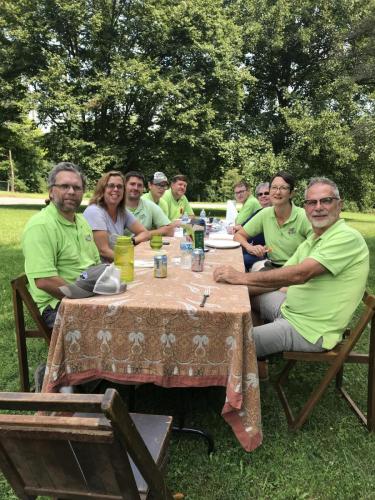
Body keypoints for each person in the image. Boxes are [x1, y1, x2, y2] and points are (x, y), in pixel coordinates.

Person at [214, 177, 369, 358]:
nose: (318, 207)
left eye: (326, 201)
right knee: (245, 297)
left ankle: (249, 363)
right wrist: (230, 289)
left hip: (308, 328)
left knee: (230, 342)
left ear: (339, 205)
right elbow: (279, 279)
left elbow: (300, 274)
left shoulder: (347, 237)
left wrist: (240, 278)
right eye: (311, 202)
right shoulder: (313, 239)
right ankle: (252, 353)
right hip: (289, 308)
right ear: (306, 208)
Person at [22, 162, 100, 329]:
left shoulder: (82, 222)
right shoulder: (41, 226)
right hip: (58, 304)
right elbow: (44, 281)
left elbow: (95, 264)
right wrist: (84, 297)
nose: (71, 192)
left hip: (87, 295)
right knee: (114, 325)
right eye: (64, 186)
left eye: (77, 188)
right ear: (51, 192)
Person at [234, 171, 312, 270]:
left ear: (292, 193)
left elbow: (317, 250)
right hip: (272, 266)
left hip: (297, 270)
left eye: (283, 188)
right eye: (274, 188)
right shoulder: (265, 213)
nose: (277, 192)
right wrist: (250, 248)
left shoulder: (304, 216)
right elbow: (238, 235)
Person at [83, 171, 150, 262]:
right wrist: (130, 260)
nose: (116, 189)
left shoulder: (122, 211)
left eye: (119, 187)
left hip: (116, 264)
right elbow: (103, 251)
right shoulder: (94, 211)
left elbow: (145, 233)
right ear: (102, 189)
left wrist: (130, 241)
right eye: (111, 186)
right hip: (98, 269)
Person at [124, 171, 174, 236]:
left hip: (143, 245)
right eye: (132, 184)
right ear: (124, 185)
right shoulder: (115, 206)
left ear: (143, 188)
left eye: (139, 185)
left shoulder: (150, 205)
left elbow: (169, 228)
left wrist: (146, 235)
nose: (136, 188)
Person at [239, 182, 272, 271]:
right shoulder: (259, 212)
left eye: (266, 193)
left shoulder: (275, 214)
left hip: (263, 254)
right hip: (249, 248)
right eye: (260, 194)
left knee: (238, 259)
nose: (263, 196)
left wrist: (263, 248)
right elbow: (241, 227)